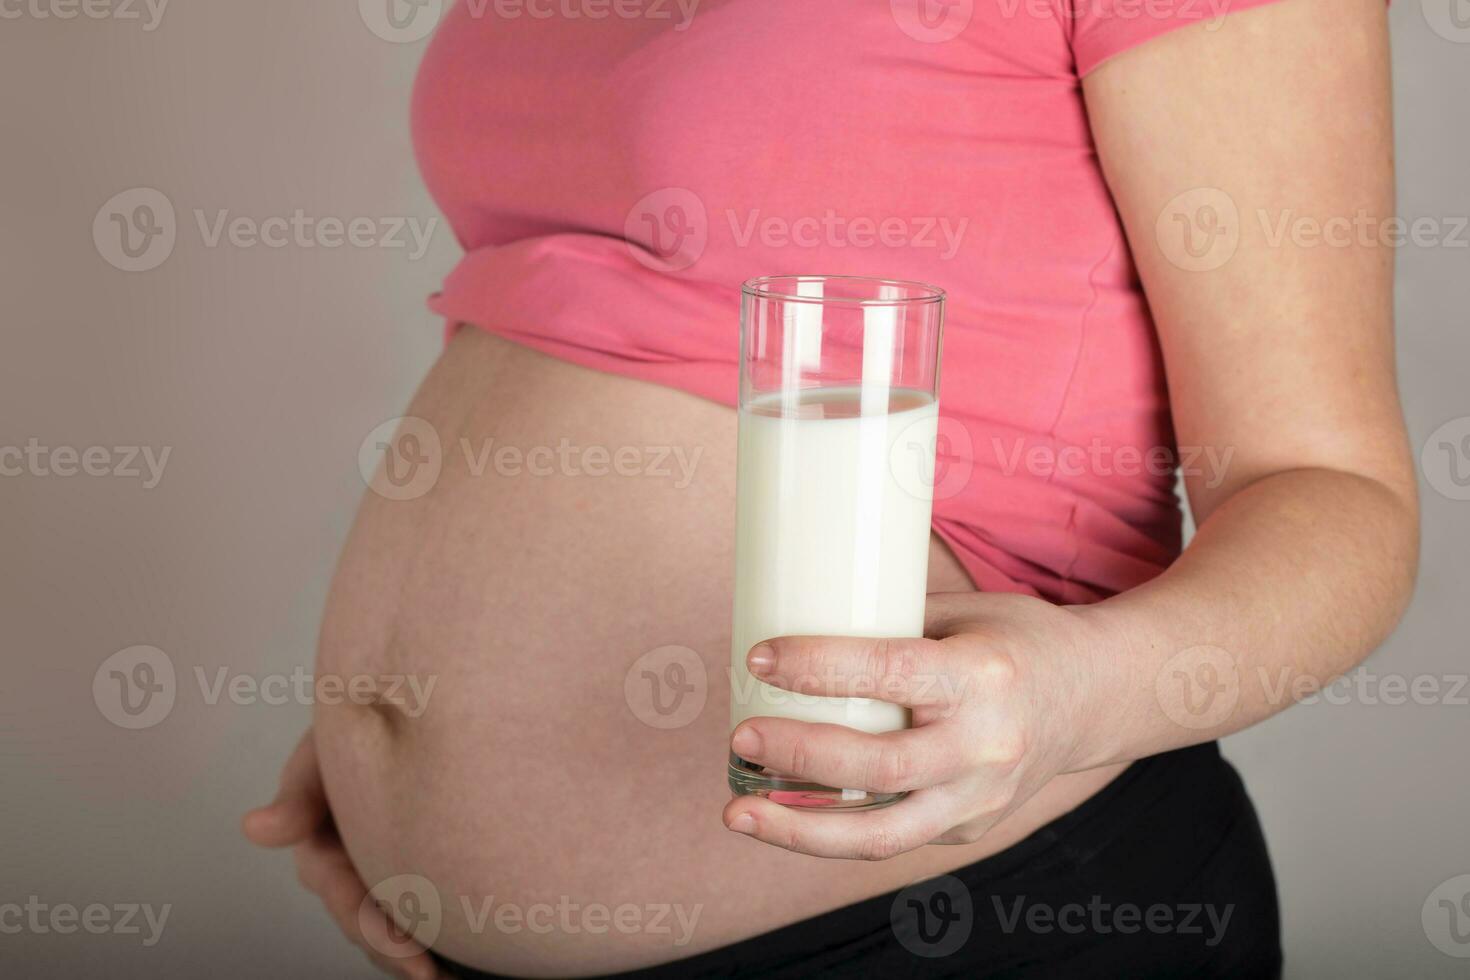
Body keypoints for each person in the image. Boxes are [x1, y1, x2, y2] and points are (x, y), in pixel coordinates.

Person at [243, 0, 1415, 976]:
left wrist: (1079, 691)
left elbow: (1331, 486)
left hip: (954, 919)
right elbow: (576, 299)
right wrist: (423, 715)